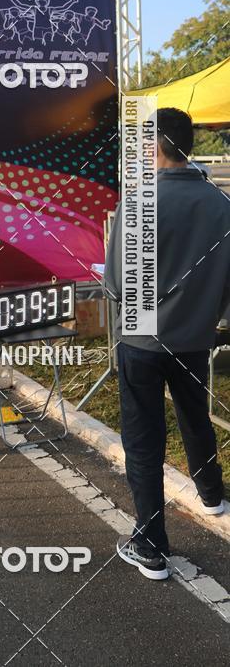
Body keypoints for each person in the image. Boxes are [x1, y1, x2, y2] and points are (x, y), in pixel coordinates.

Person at [104, 107, 230, 581]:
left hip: (142, 338)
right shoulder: (221, 204)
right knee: (195, 416)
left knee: (143, 441)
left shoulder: (138, 202)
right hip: (194, 338)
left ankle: (151, 546)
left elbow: (116, 283)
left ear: (154, 146)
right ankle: (212, 495)